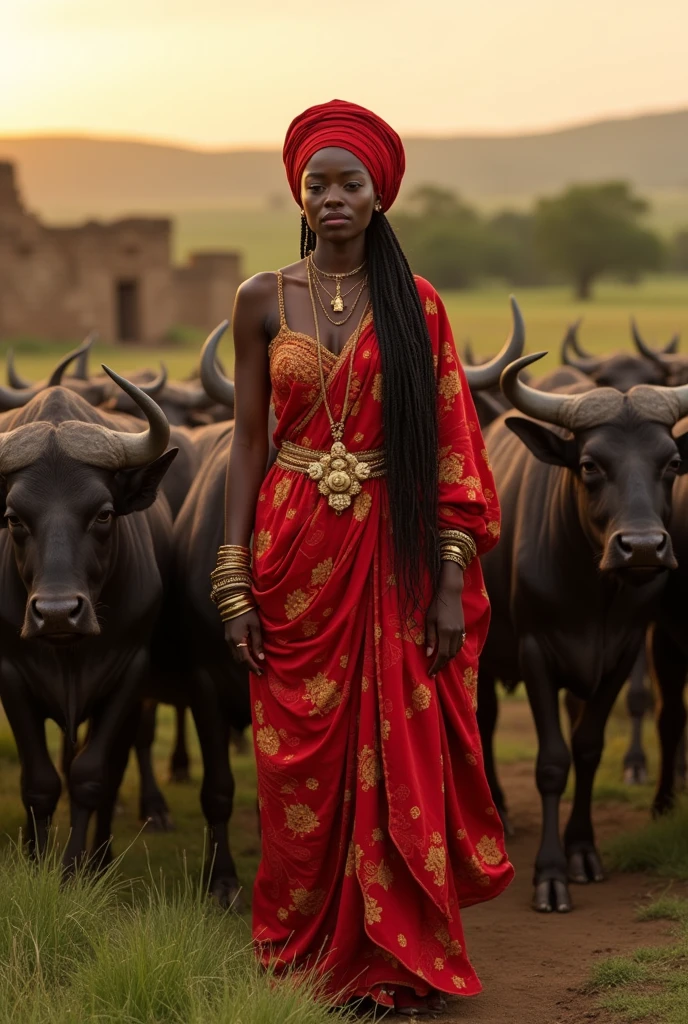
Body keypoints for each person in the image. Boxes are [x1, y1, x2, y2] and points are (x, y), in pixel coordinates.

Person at [211, 99, 514, 1016]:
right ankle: (305, 957)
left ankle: (394, 961)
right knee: (296, 766)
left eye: (351, 183)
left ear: (380, 196)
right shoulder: (262, 298)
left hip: (396, 549)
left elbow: (455, 451)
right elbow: (247, 445)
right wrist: (232, 576)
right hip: (292, 549)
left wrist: (452, 580)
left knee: (402, 757)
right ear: (299, 195)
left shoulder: (417, 304)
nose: (333, 197)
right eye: (318, 183)